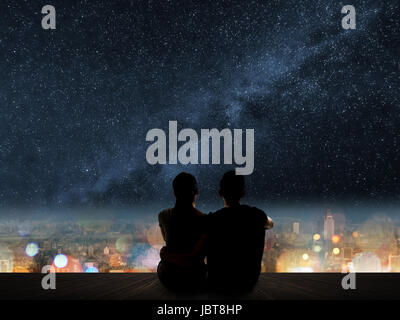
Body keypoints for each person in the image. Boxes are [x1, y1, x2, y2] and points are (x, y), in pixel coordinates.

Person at [206, 170, 273, 292]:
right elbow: (270, 224)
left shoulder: (213, 218)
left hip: (219, 281)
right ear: (243, 193)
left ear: (220, 193)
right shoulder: (257, 215)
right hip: (247, 281)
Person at [157, 172, 207, 292]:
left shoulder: (163, 215)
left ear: (175, 193)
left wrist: (165, 255)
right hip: (195, 278)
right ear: (197, 192)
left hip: (168, 277)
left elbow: (167, 239)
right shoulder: (204, 219)